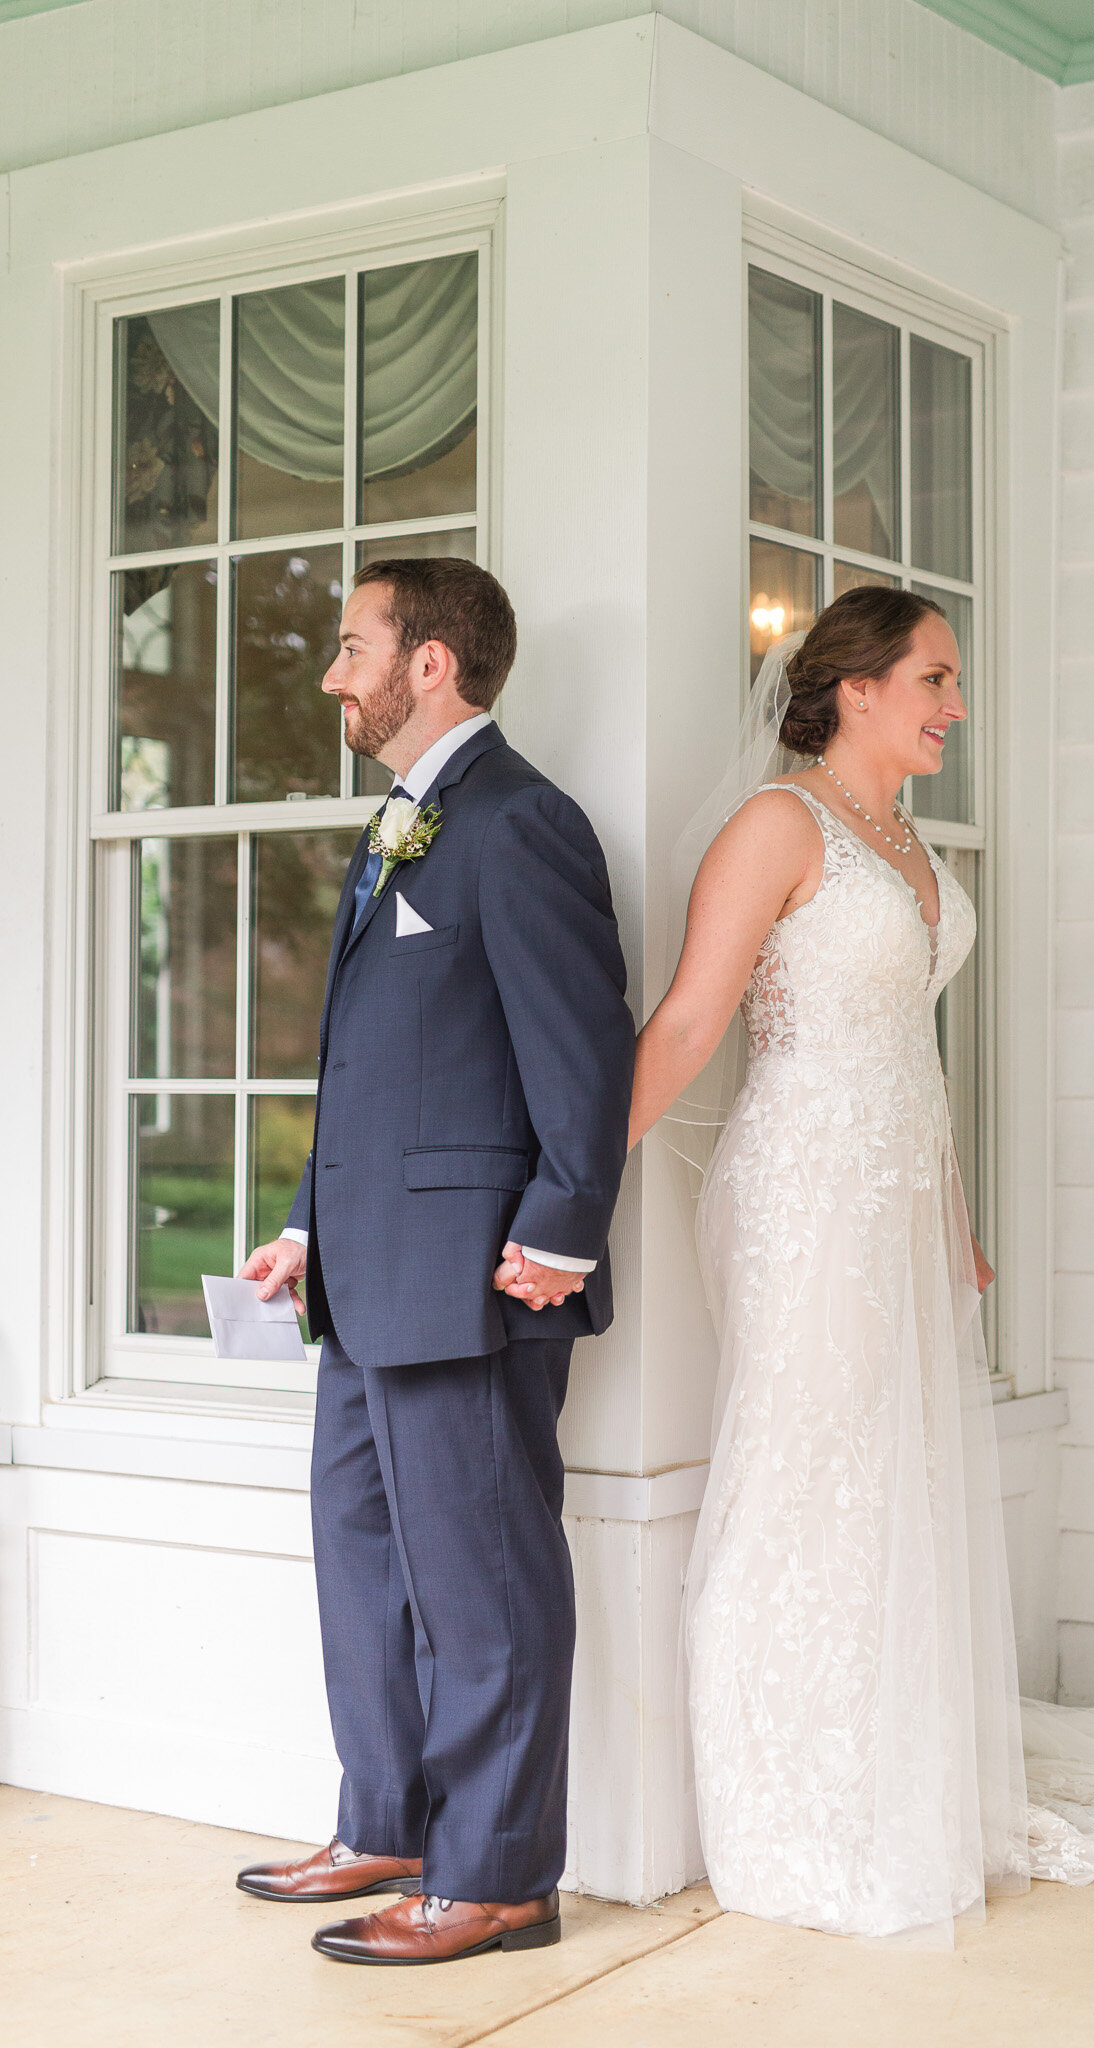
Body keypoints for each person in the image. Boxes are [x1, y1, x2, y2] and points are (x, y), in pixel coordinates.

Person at [630, 586, 1094, 1946]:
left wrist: (951, 1213)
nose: (953, 708)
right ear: (850, 684)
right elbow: (688, 1017)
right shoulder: (774, 827)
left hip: (900, 1195)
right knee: (805, 1478)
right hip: (804, 1192)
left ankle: (887, 1761)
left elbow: (913, 1050)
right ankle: (790, 1804)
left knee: (885, 1479)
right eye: (934, 679)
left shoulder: (897, 837)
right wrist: (571, 1185)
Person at [233, 557, 635, 1966]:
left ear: (430, 665)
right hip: (365, 1280)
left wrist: (560, 1229)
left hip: (476, 1281)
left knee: (485, 1589)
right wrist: (304, 1226)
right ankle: (391, 1823)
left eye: (352, 648)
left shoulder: (521, 823)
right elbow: (375, 1067)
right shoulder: (399, 827)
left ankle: (499, 1878)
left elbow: (579, 1051)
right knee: (362, 1564)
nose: (333, 675)